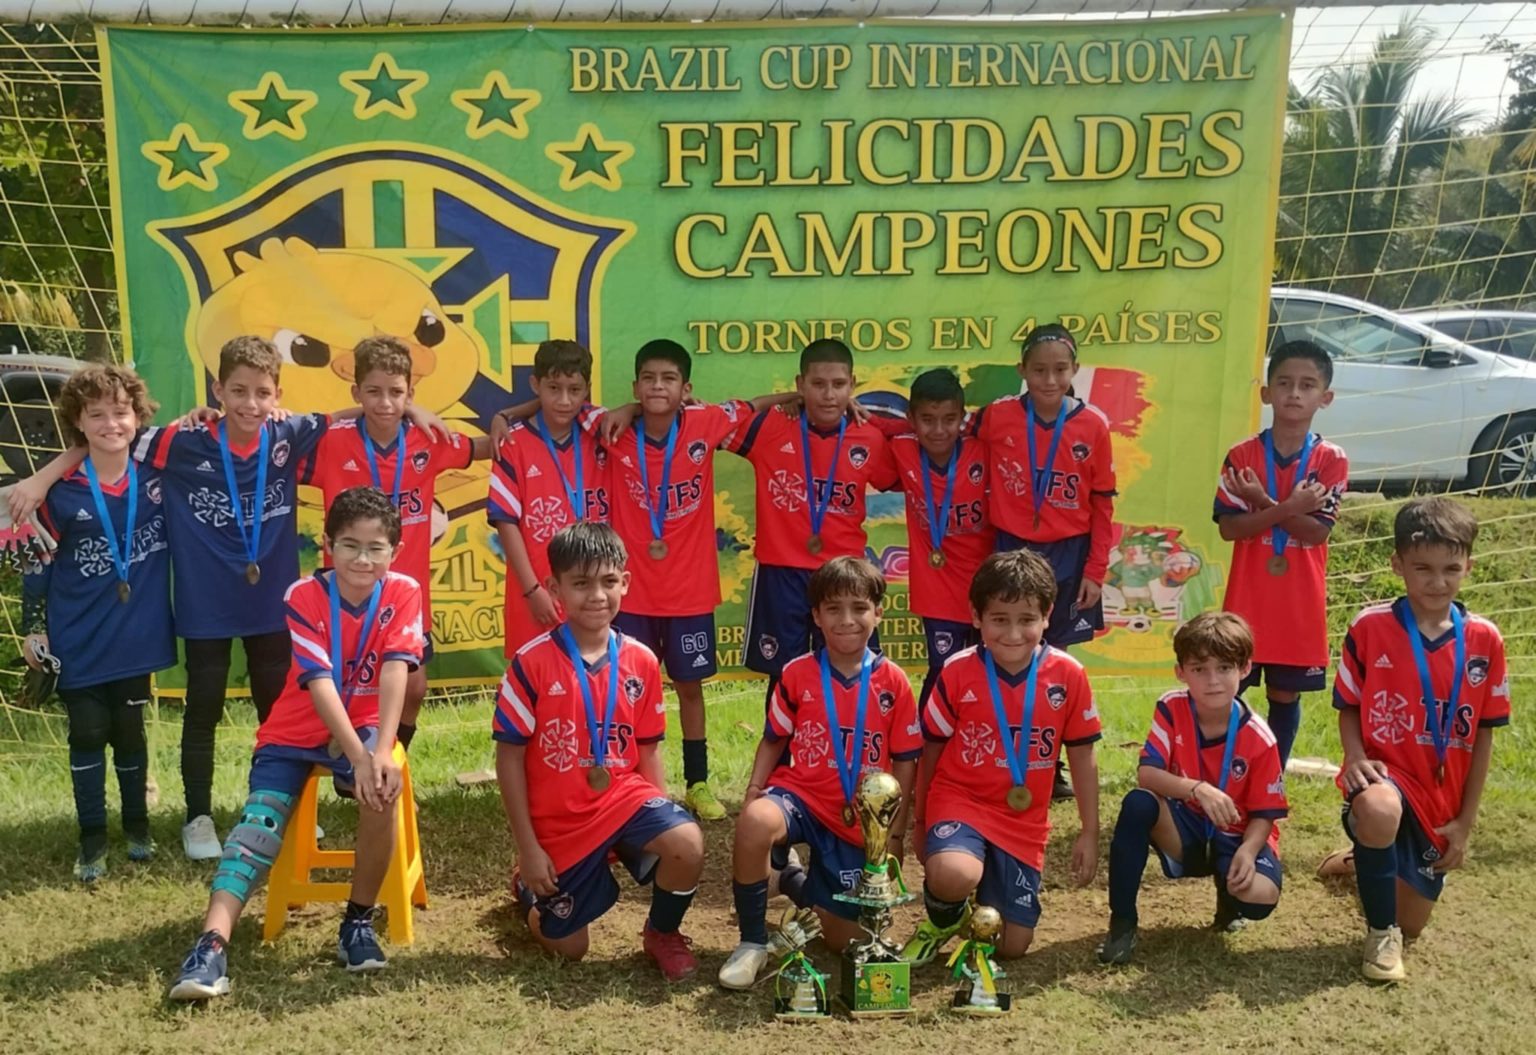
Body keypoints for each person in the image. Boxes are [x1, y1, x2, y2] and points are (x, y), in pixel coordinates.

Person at [9, 336, 335, 860]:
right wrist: (44, 478)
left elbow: (355, 418)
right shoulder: (180, 442)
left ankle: (280, 811)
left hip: (271, 606)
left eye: (262, 393)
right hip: (205, 606)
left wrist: (409, 407)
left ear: (278, 394)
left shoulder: (288, 433)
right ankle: (197, 817)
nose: (250, 403)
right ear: (217, 390)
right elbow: (106, 438)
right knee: (202, 710)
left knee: (277, 712)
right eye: (238, 391)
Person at [168, 486, 427, 1000]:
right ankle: (210, 947)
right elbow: (319, 682)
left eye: (375, 548)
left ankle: (357, 921)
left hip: (368, 725)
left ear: (394, 552)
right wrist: (356, 753)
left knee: (380, 792)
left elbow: (397, 668)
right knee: (257, 827)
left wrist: (381, 751)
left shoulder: (404, 591)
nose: (362, 559)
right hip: (294, 732)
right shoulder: (303, 595)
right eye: (349, 545)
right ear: (328, 545)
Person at [492, 522, 704, 981]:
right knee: (570, 948)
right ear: (555, 589)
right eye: (581, 584)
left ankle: (662, 932)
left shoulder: (641, 660)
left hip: (622, 800)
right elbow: (509, 759)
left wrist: (660, 823)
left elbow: (648, 749)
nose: (597, 596)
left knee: (686, 842)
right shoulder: (529, 664)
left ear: (625, 583)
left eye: (609, 581)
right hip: (559, 822)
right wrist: (529, 849)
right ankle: (528, 888)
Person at [596, 338, 797, 820]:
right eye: (648, 380)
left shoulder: (706, 422)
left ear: (686, 389)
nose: (657, 387)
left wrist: (799, 397)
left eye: (668, 379)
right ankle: (632, 781)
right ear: (635, 387)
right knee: (627, 690)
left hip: (689, 591)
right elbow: (561, 411)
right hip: (632, 593)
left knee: (690, 688)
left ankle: (698, 783)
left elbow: (753, 405)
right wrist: (625, 410)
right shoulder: (611, 430)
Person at [719, 556, 920, 990]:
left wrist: (894, 834)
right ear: (816, 616)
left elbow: (906, 761)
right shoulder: (796, 673)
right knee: (756, 820)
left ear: (878, 613)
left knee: (844, 941)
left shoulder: (894, 682)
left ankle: (790, 878)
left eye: (859, 608)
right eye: (833, 609)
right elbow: (773, 739)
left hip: (859, 819)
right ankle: (752, 941)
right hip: (802, 798)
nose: (846, 620)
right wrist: (755, 788)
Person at [1330, 497, 1507, 982]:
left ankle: (1364, 860)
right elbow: (1348, 704)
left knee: (1414, 924)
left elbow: (1484, 736)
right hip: (1385, 778)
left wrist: (1465, 822)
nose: (1437, 581)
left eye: (1451, 569)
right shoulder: (1370, 627)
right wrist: (1355, 756)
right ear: (1397, 565)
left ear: (1468, 567)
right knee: (1379, 810)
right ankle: (1379, 935)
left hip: (1440, 798)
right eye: (1423, 568)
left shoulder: (1485, 640)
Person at [901, 550, 1100, 966]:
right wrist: (920, 822)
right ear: (976, 617)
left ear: (1047, 615)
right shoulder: (957, 671)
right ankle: (941, 918)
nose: (1013, 633)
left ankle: (983, 893)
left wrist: (1089, 831)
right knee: (953, 874)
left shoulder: (1068, 675)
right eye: (999, 619)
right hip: (962, 801)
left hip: (1022, 820)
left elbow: (1083, 757)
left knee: (1010, 946)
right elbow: (931, 750)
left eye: (1026, 619)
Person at [20, 364, 175, 881]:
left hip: (135, 635)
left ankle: (137, 828)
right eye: (97, 415)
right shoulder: (59, 493)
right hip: (77, 635)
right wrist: (34, 626)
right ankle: (91, 839)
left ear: (138, 417)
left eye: (121, 412)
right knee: (87, 731)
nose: (112, 423)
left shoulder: (157, 479)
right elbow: (37, 563)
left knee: (129, 731)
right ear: (78, 423)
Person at [299, 334, 490, 749]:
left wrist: (526, 424)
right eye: (373, 392)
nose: (385, 403)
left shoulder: (429, 439)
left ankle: (390, 758)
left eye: (396, 393)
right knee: (345, 685)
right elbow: (281, 440)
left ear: (411, 393)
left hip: (405, 592)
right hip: (347, 591)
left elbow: (483, 448)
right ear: (356, 392)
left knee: (414, 686)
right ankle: (347, 761)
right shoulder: (332, 441)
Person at [968, 324, 1115, 799]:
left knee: (1055, 664)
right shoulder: (997, 416)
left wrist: (1094, 571)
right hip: (1011, 547)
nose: (1049, 380)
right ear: (1022, 371)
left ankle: (1050, 766)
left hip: (1069, 554)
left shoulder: (1093, 425)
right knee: (1006, 654)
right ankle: (1002, 756)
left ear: (1075, 370)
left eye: (1059, 370)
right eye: (1038, 370)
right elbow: (943, 431)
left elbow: (1103, 504)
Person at [1098, 611, 1287, 966]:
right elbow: (1147, 774)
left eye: (1224, 668)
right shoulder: (1171, 707)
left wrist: (1248, 852)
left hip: (1235, 836)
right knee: (1138, 804)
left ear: (1245, 669)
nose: (1212, 680)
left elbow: (1265, 813)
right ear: (1180, 672)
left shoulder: (1260, 737)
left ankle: (1230, 899)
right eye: (1199, 669)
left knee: (1258, 898)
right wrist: (1197, 789)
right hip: (1183, 827)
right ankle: (1122, 922)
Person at [721, 338, 897, 705]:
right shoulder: (771, 426)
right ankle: (782, 743)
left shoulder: (869, 436)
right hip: (781, 571)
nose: (829, 395)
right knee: (783, 675)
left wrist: (870, 415)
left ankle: (849, 738)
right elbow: (718, 420)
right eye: (817, 384)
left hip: (844, 572)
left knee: (853, 669)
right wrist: (787, 399)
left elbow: (915, 441)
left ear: (852, 385)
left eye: (839, 385)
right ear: (801, 384)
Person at [1215, 339, 1347, 768]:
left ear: (1325, 398)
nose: (1294, 393)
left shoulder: (1331, 460)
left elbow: (1316, 533)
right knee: (1229, 686)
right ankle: (1226, 769)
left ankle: (1273, 776)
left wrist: (1263, 502)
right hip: (1248, 595)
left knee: (1284, 693)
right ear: (1266, 392)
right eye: (1285, 383)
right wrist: (1286, 506)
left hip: (1298, 599)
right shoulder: (1242, 455)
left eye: (1307, 385)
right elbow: (1231, 529)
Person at [870, 367, 993, 708]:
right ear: (911, 419)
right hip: (937, 587)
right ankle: (925, 740)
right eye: (927, 419)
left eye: (949, 419)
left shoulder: (983, 451)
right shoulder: (903, 449)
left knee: (988, 670)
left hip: (987, 586)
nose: (939, 430)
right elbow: (869, 425)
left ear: (962, 418)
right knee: (942, 671)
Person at [486, 339, 609, 660]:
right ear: (535, 385)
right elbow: (506, 522)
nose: (564, 400)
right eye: (553, 388)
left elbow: (645, 414)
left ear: (587, 390)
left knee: (593, 676)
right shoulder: (512, 443)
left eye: (574, 390)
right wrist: (531, 590)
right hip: (537, 591)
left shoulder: (601, 433)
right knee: (533, 676)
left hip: (594, 590)